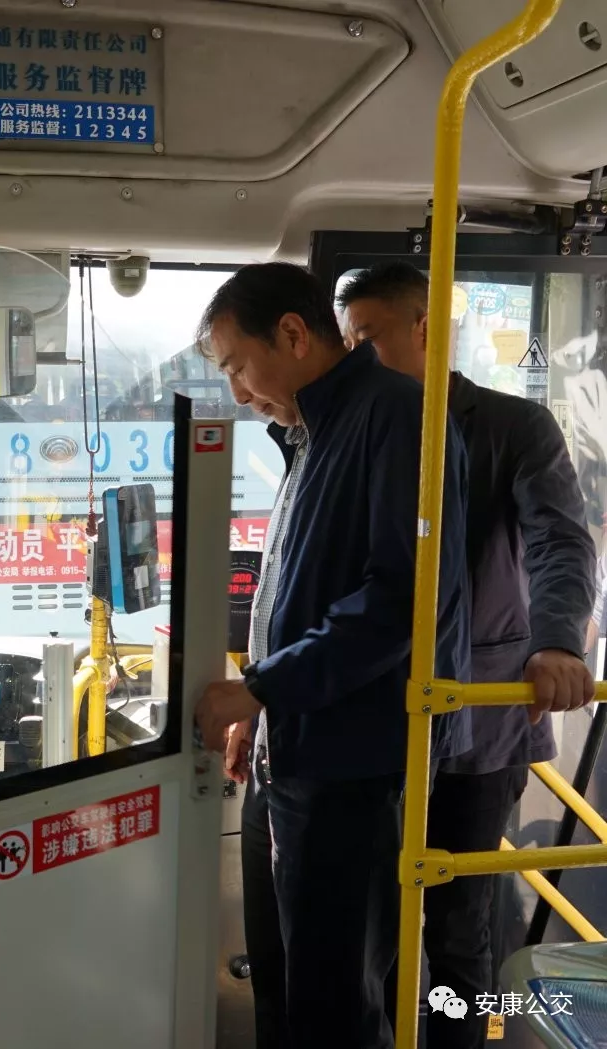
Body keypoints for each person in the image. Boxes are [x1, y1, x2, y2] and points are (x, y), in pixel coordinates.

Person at [193, 262, 472, 1049]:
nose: (238, 393)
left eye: (237, 366)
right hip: (291, 751)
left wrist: (260, 687)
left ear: (292, 333)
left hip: (351, 772)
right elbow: (295, 588)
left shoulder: (397, 418)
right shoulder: (310, 432)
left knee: (337, 1006)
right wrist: (264, 709)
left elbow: (399, 601)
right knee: (283, 988)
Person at [338, 261, 596, 1049]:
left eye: (368, 338)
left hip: (477, 718)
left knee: (458, 926)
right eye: (346, 342)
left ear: (425, 329)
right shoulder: (352, 429)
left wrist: (557, 640)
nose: (355, 358)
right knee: (369, 922)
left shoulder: (514, 427)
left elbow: (558, 542)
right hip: (373, 718)